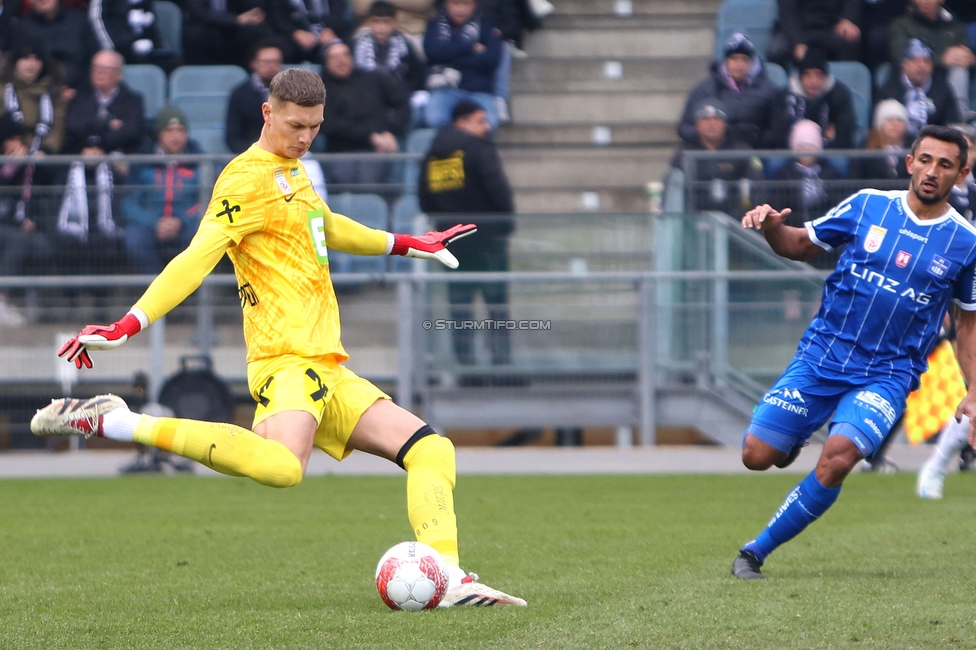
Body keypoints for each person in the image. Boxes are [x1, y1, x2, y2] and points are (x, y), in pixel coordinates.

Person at [29, 67, 526, 608]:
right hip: (285, 360)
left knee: (431, 449)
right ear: (268, 113)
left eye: (314, 127)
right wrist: (130, 323)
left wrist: (407, 243)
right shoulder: (244, 179)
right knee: (284, 468)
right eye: (295, 125)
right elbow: (196, 258)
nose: (306, 137)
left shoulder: (296, 170)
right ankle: (118, 420)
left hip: (328, 365)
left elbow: (327, 226)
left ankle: (447, 575)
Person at [731, 124, 976, 580]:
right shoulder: (867, 205)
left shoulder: (967, 243)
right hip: (822, 355)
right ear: (909, 162)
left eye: (945, 165)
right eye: (925, 159)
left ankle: (754, 552)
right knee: (755, 455)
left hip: (888, 373)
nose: (932, 171)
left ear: (960, 175)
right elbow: (800, 245)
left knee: (841, 454)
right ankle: (791, 441)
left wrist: (974, 390)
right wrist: (771, 228)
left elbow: (967, 323)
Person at [419, 99, 513, 366]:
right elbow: (498, 190)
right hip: (488, 241)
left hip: (451, 245)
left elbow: (425, 199)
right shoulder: (479, 149)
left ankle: (465, 368)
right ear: (462, 123)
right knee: (496, 307)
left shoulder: (433, 154)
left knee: (459, 310)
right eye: (480, 121)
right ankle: (501, 369)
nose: (487, 127)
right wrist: (506, 225)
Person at [121, 106, 203, 274]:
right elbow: (129, 203)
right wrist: (155, 222)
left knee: (202, 236)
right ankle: (157, 290)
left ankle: (184, 290)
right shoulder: (142, 162)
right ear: (159, 134)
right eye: (169, 130)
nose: (175, 136)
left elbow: (208, 202)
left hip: (187, 223)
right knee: (134, 237)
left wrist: (181, 221)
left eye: (180, 130)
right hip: (151, 222)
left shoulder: (200, 161)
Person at [678, 32, 791, 150]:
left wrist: (759, 140)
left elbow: (778, 127)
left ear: (751, 63)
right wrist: (710, 136)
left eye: (744, 59)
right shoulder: (705, 90)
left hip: (756, 152)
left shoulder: (768, 90)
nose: (739, 64)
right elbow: (685, 127)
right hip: (715, 154)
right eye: (734, 58)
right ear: (726, 61)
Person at [320, 40, 409, 187]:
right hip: (340, 152)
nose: (341, 60)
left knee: (372, 181)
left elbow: (402, 103)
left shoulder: (374, 79)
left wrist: (391, 132)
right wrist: (371, 136)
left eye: (345, 55)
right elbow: (329, 123)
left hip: (376, 150)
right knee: (345, 182)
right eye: (334, 57)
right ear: (326, 63)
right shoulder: (320, 88)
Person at [670, 98, 764, 219]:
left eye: (716, 119)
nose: (711, 124)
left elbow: (757, 186)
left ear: (725, 123)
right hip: (694, 221)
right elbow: (674, 186)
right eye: (705, 119)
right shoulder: (684, 154)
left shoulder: (741, 151)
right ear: (696, 124)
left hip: (736, 223)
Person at [0, 111, 52, 326]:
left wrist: (33, 219)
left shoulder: (30, 164)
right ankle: (2, 298)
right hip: (6, 226)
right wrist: (9, 170)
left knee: (43, 246)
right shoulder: (7, 167)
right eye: (11, 140)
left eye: (19, 140)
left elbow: (43, 196)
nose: (16, 145)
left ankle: (32, 300)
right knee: (18, 240)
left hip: (20, 226)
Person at [422, 0, 504, 130]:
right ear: (446, 4)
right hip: (445, 89)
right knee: (435, 118)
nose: (460, 9)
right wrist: (470, 47)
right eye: (455, 3)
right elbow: (433, 53)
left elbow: (490, 60)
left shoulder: (487, 27)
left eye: (465, 4)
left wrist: (449, 55)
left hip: (479, 90)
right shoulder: (435, 25)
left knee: (490, 123)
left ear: (474, 5)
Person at [889, 0, 975, 116]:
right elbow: (899, 56)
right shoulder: (901, 25)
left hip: (946, 83)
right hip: (915, 81)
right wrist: (941, 59)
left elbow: (966, 55)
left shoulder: (954, 26)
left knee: (960, 71)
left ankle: (959, 118)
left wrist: (970, 60)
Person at [63, 50, 145, 159]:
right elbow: (74, 126)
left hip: (117, 157)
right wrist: (107, 123)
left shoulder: (132, 101)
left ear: (118, 75)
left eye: (105, 69)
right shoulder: (79, 98)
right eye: (95, 68)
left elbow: (130, 133)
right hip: (81, 156)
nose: (98, 73)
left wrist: (99, 146)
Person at [876, 38, 960, 137]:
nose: (921, 65)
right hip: (899, 146)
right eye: (914, 60)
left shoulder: (943, 90)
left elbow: (952, 124)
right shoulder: (888, 90)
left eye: (926, 61)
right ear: (903, 64)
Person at [784, 47, 858, 149]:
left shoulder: (839, 95)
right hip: (793, 152)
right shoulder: (785, 97)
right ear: (800, 77)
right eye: (808, 75)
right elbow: (779, 133)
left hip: (830, 152)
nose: (813, 81)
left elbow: (846, 133)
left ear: (825, 77)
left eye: (818, 75)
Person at [18, 0, 97, 92]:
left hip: (79, 90)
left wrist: (78, 92)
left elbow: (93, 60)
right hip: (37, 93)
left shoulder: (80, 21)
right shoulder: (22, 27)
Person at [87, 0, 183, 72]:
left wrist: (158, 46)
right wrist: (111, 51)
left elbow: (152, 26)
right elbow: (97, 19)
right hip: (119, 48)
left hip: (146, 50)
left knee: (174, 64)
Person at [182, 0, 283, 67]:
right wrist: (236, 19)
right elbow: (199, 13)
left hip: (231, 29)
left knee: (259, 31)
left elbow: (251, 7)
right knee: (196, 34)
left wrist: (252, 14)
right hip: (205, 28)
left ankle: (248, 73)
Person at [226, 40, 283, 155]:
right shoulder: (240, 94)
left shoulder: (292, 92)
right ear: (254, 64)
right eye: (266, 62)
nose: (272, 66)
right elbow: (233, 136)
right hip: (251, 156)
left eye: (276, 62)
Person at [767, 0, 862, 69]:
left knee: (851, 40)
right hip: (795, 28)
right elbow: (787, 13)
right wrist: (798, 41)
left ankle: (839, 90)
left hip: (829, 25)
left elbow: (852, 2)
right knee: (777, 50)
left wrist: (847, 19)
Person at [849, 99, 912, 185]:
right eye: (889, 119)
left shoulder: (914, 147)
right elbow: (855, 178)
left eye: (899, 119)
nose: (895, 124)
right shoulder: (866, 147)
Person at [268, 0, 353, 63]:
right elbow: (276, 16)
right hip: (292, 35)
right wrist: (295, 33)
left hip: (327, 33)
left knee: (340, 48)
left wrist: (329, 29)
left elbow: (338, 10)